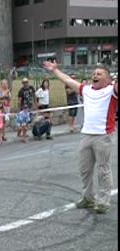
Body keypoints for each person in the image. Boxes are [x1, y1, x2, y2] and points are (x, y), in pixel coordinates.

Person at [44, 61, 117, 214]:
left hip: (103, 136)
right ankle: (88, 198)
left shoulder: (112, 90)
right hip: (86, 135)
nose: (95, 76)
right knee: (85, 170)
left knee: (104, 169)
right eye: (94, 73)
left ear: (108, 79)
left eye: (99, 74)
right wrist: (55, 70)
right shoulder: (87, 90)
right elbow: (68, 80)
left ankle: (103, 201)